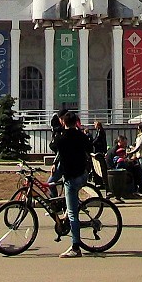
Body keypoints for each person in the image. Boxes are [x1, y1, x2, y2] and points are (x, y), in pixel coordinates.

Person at [50, 110, 93, 258]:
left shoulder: (62, 139)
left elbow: (53, 146)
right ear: (76, 122)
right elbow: (90, 147)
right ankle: (67, 213)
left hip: (71, 178)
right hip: (82, 174)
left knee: (73, 214)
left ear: (63, 122)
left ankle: (76, 247)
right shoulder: (81, 136)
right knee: (71, 205)